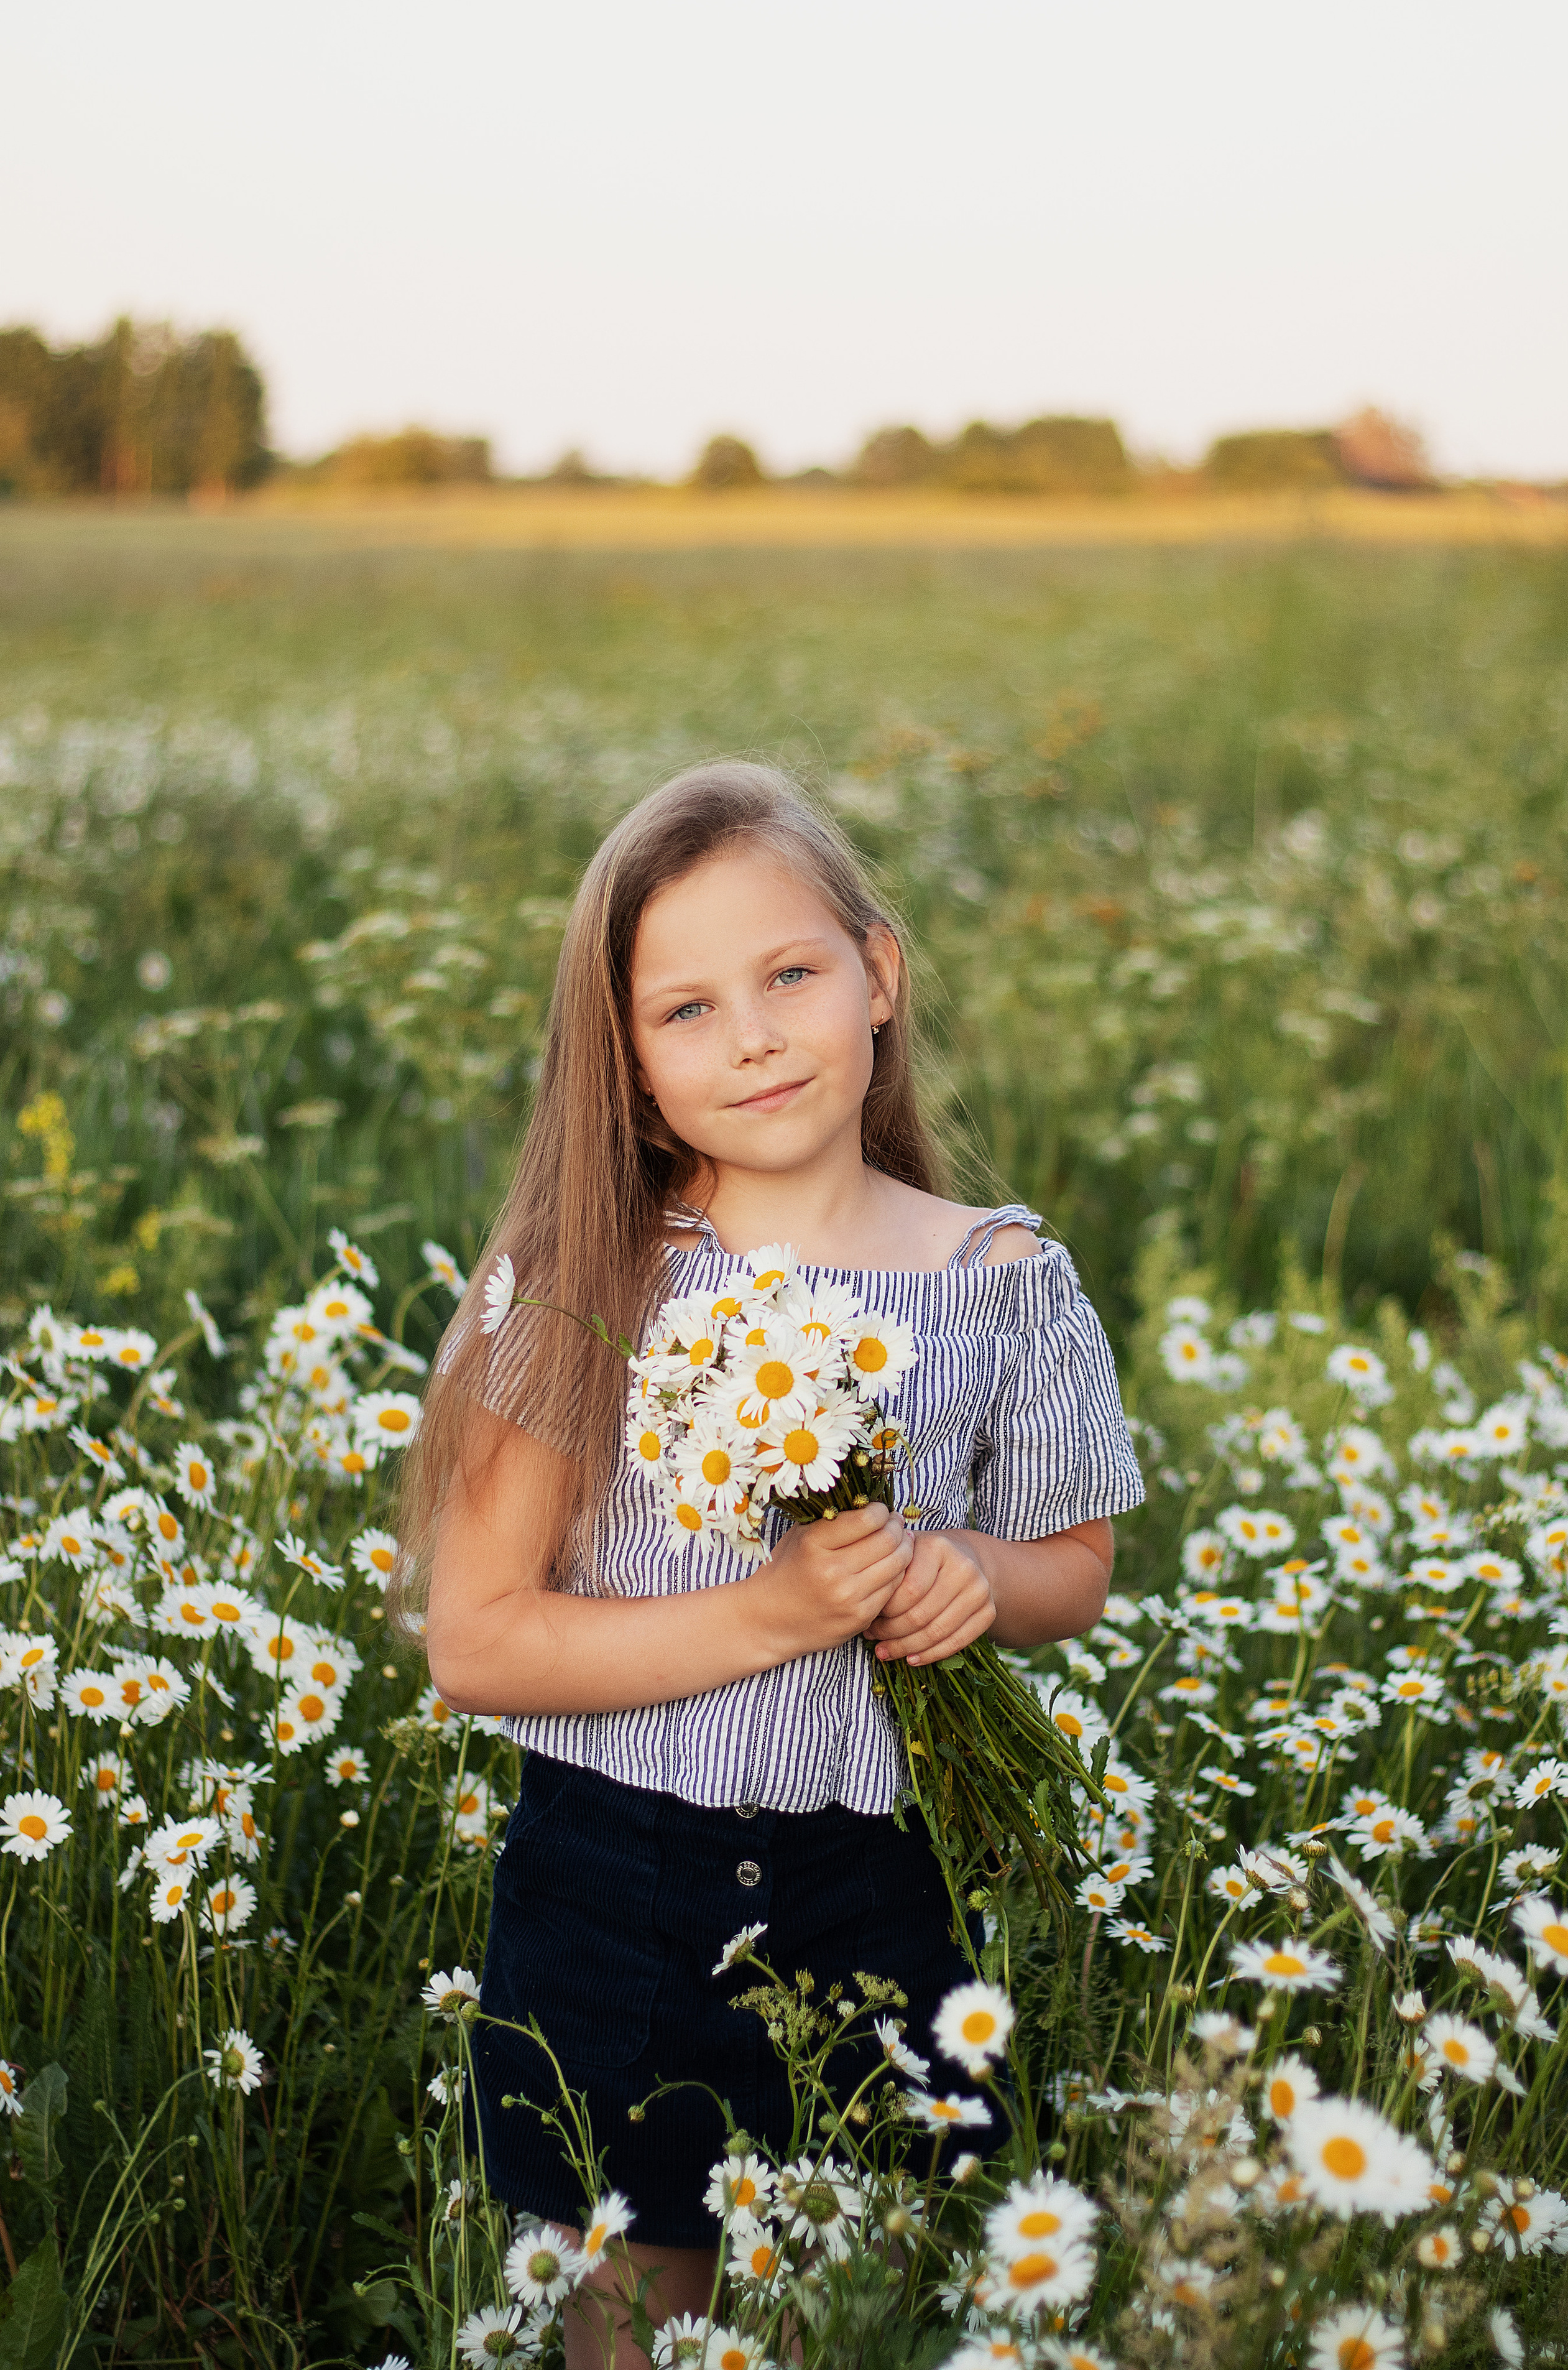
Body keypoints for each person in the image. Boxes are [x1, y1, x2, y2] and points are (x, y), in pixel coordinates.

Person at [394, 759, 1144, 2366]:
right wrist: (777, 1612)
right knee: (626, 2317)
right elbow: (479, 1640)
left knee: (834, 2308)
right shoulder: (587, 1281)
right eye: (688, 1009)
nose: (752, 1036)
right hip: (615, 1877)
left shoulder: (1003, 1279)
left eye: (790, 976)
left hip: (874, 1877)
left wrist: (972, 1578)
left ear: (880, 976)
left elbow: (1074, 1564)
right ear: (628, 1061)